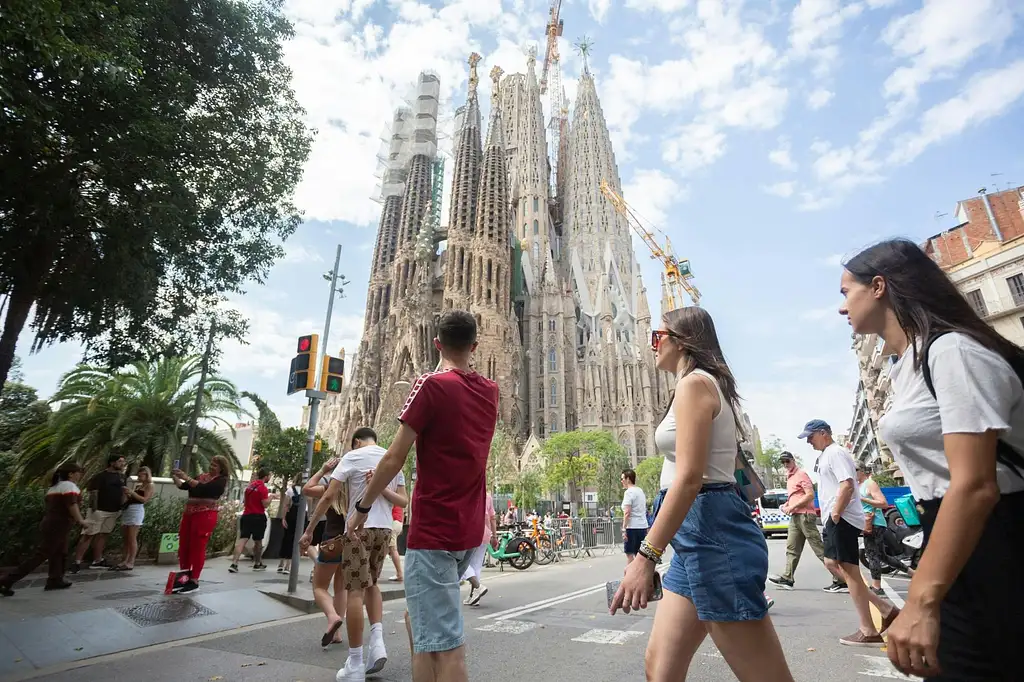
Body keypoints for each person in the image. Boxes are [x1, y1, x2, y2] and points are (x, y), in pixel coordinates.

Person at [840, 238, 1024, 679]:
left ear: (879, 287)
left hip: (996, 538)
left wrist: (921, 600)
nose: (842, 308)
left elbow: (976, 485)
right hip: (954, 534)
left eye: (846, 292)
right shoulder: (908, 363)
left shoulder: (953, 352)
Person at [610, 307, 794, 682]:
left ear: (682, 340)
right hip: (695, 538)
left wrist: (646, 556)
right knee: (660, 669)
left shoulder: (695, 384)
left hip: (714, 534)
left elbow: (690, 478)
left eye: (656, 336)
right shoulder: (699, 384)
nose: (652, 345)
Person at [347, 310, 499, 682]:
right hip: (467, 529)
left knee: (447, 646)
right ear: (474, 346)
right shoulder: (491, 391)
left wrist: (363, 506)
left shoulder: (430, 385)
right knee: (418, 621)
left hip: (435, 530)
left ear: (436, 343)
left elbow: (394, 455)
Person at [302, 427, 407, 681]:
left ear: (357, 442)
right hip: (383, 530)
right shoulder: (393, 457)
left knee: (355, 591)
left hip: (359, 530)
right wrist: (380, 488)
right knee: (372, 586)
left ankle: (356, 662)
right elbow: (404, 502)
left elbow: (327, 496)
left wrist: (309, 531)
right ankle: (378, 643)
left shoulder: (353, 457)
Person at [799, 419, 899, 647]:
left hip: (841, 518)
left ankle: (869, 629)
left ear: (823, 433)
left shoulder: (835, 452)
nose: (808, 441)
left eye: (810, 436)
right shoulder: (825, 455)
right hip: (834, 518)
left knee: (848, 570)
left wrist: (836, 513)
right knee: (831, 563)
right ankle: (885, 609)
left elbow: (846, 484)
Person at [1, 463, 87, 596]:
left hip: (51, 523)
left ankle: (55, 579)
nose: (80, 474)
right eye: (79, 472)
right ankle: (6, 580)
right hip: (59, 524)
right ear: (71, 474)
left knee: (60, 552)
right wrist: (81, 520)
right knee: (42, 554)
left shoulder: (54, 488)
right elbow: (72, 504)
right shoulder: (69, 486)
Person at [768, 451, 842, 592]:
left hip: (805, 516)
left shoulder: (801, 474)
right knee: (792, 548)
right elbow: (796, 496)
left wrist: (793, 506)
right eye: (783, 462)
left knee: (818, 548)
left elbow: (810, 495)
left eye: (787, 461)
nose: (785, 464)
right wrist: (787, 506)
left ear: (793, 460)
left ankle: (840, 579)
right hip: (795, 516)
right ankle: (787, 578)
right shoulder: (789, 477)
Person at [300, 456, 347, 648]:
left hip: (331, 542)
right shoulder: (357, 488)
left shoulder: (330, 487)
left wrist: (322, 470)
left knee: (319, 587)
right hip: (350, 542)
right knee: (341, 588)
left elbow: (307, 489)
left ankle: (332, 616)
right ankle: (337, 634)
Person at [171, 455, 230, 593]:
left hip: (205, 515)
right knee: (184, 545)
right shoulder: (201, 476)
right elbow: (183, 486)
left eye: (215, 465)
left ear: (222, 468)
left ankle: (194, 580)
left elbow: (205, 489)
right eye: (211, 463)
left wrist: (186, 477)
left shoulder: (220, 481)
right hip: (190, 514)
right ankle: (184, 575)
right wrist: (175, 476)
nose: (211, 466)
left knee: (198, 546)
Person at [71, 453, 126, 571]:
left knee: (103, 535)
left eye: (123, 462)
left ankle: (97, 560)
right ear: (112, 463)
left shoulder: (122, 477)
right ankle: (77, 561)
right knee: (88, 535)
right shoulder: (101, 476)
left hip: (114, 511)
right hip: (98, 510)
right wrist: (94, 509)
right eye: (120, 461)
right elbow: (93, 492)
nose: (122, 464)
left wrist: (121, 507)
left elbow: (123, 493)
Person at [856, 464, 903, 595]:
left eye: (855, 470)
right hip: (868, 523)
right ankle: (911, 572)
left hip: (874, 523)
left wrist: (863, 499)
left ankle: (876, 587)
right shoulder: (857, 485)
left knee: (872, 555)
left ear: (862, 471)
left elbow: (883, 503)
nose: (852, 473)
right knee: (882, 556)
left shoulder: (870, 483)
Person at [230, 468, 273, 573]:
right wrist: (271, 497)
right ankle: (257, 563)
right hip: (258, 517)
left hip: (246, 515)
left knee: (242, 540)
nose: (270, 478)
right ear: (266, 476)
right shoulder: (263, 488)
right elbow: (265, 504)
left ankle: (234, 563)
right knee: (258, 541)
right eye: (269, 476)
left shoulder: (249, 487)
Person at [113, 466, 154, 571]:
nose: (140, 476)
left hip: (137, 511)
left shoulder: (150, 485)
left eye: (142, 474)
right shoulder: (138, 486)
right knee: (126, 538)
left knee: (132, 537)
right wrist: (127, 494)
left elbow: (144, 499)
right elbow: (132, 498)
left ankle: (131, 561)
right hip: (129, 509)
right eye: (139, 474)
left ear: (147, 475)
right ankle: (124, 560)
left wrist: (132, 493)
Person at [461, 489, 496, 606]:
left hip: (470, 532)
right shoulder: (488, 497)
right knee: (476, 566)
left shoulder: (467, 493)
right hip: (485, 533)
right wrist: (494, 536)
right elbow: (493, 518)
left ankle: (478, 586)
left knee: (459, 561)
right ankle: (474, 596)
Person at [277, 475, 306, 574]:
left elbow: (286, 505)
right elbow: (309, 504)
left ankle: (281, 563)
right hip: (302, 515)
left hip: (291, 515)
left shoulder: (290, 490)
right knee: (296, 540)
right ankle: (288, 566)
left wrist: (284, 518)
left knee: (286, 538)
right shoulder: (307, 489)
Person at [620, 468, 648, 564]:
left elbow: (627, 512)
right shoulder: (640, 491)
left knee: (630, 554)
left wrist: (624, 529)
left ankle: (631, 577)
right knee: (640, 554)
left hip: (632, 527)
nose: (622, 481)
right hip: (642, 526)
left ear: (628, 479)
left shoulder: (628, 492)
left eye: (622, 478)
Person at [387, 500, 405, 583]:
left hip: (393, 522)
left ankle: (399, 574)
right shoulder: (399, 497)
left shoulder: (392, 495)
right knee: (388, 548)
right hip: (398, 522)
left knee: (393, 548)